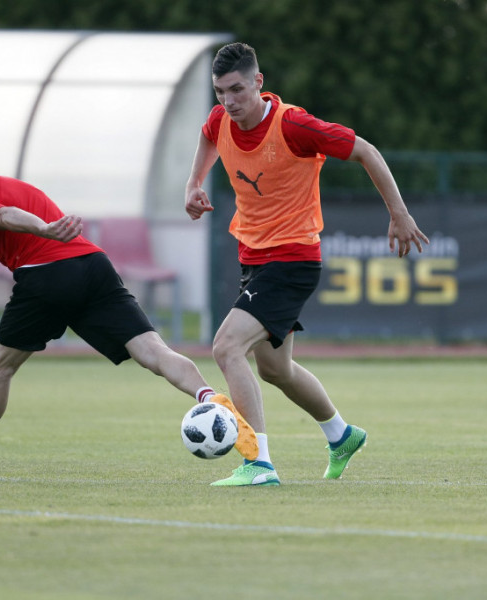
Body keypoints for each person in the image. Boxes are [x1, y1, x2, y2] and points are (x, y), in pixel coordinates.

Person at [0, 175, 257, 478]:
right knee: (152, 351)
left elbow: (6, 216)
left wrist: (44, 229)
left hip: (46, 273)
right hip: (92, 264)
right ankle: (210, 398)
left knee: (0, 368)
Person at [184, 42, 429, 486]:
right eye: (220, 91)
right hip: (253, 258)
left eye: (237, 89)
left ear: (258, 82)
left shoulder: (294, 125)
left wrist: (399, 213)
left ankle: (258, 463)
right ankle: (342, 435)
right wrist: (193, 184)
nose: (229, 101)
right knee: (275, 370)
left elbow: (367, 151)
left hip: (292, 257)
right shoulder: (220, 119)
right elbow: (207, 135)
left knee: (226, 347)